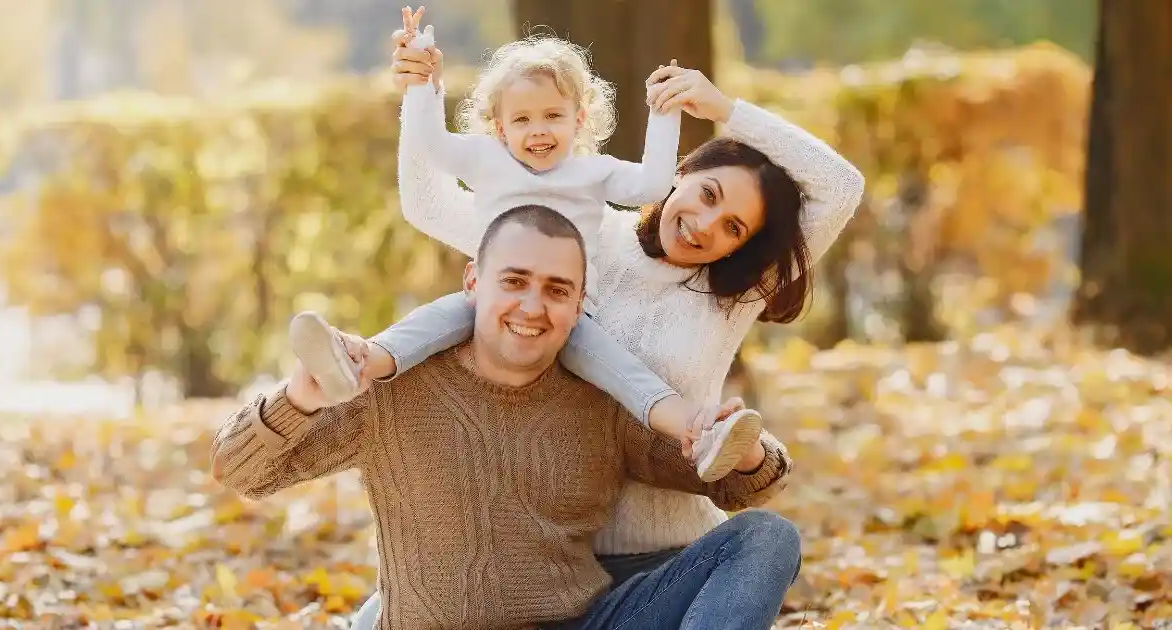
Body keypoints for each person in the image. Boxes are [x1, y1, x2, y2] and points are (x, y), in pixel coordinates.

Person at [386, 13, 864, 586]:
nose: (705, 225)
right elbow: (428, 205)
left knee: (768, 542)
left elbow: (841, 188)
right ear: (680, 172)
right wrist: (420, 90)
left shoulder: (732, 295)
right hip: (544, 567)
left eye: (733, 227)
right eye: (707, 194)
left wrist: (723, 109)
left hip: (669, 560)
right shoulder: (573, 239)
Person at [213, 205, 799, 630]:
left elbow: (735, 483)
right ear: (474, 282)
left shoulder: (598, 401)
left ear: (578, 306)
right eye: (514, 282)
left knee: (767, 538)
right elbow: (239, 471)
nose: (532, 306)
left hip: (584, 621)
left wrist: (749, 449)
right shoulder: (392, 392)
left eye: (557, 290)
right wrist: (299, 397)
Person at [289, 7, 765, 484]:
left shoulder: (592, 172)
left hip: (570, 312)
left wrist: (663, 115)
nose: (538, 130)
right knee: (430, 323)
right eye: (522, 119)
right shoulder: (486, 158)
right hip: (491, 298)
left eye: (553, 115)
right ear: (500, 128)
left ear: (579, 120)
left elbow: (652, 186)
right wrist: (422, 84)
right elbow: (433, 145)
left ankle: (700, 432)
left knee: (627, 375)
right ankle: (355, 362)